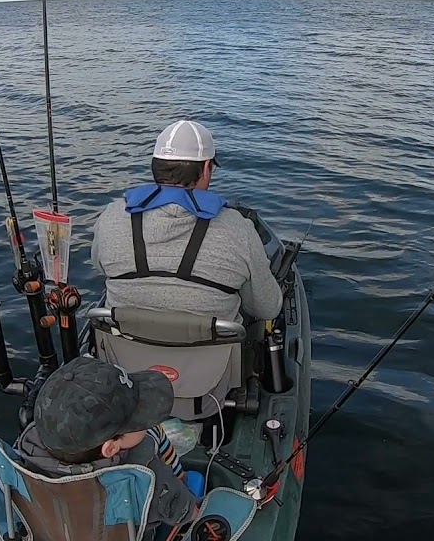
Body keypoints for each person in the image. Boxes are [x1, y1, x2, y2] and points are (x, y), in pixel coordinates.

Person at [91, 119, 283, 323]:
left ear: (155, 166)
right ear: (207, 167)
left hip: (119, 352)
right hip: (212, 355)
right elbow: (267, 309)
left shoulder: (110, 217)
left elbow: (100, 266)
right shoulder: (238, 229)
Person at [14, 356, 199, 532]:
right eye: (138, 421)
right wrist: (192, 510)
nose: (146, 423)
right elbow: (187, 513)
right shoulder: (148, 476)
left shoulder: (25, 465)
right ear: (111, 448)